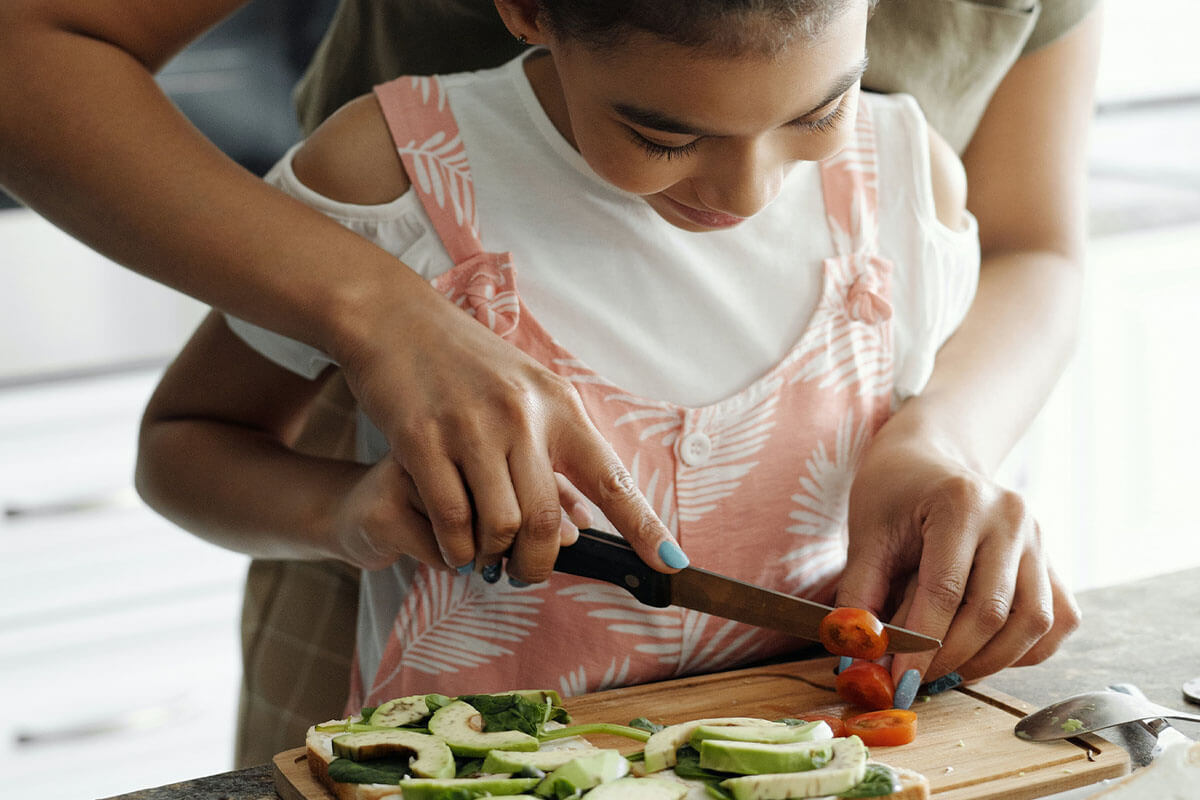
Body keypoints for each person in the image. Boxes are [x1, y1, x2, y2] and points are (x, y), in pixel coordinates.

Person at [0, 0, 1100, 767]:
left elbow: (1038, 253)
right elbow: (186, 441)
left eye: (819, 111)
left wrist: (944, 444)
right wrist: (342, 512)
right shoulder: (392, 174)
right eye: (663, 132)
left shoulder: (902, 174)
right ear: (525, 6)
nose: (747, 187)